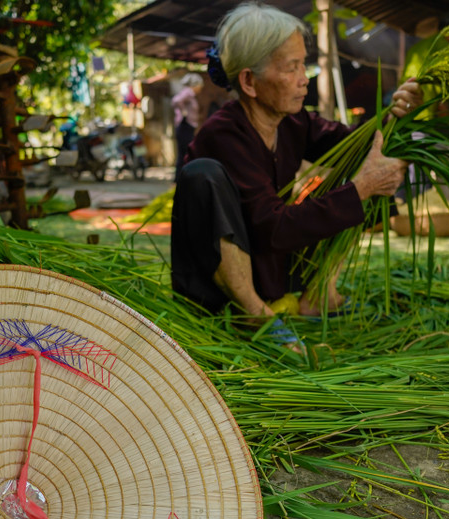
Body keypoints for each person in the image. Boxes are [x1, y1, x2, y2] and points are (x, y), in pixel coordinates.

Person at [170, 1, 421, 337]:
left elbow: (355, 144)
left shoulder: (292, 121)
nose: (305, 80)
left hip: (273, 266)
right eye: (292, 68)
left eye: (305, 65)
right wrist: (360, 188)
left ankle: (318, 296)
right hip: (224, 287)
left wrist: (392, 116)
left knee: (367, 172)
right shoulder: (223, 134)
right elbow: (272, 228)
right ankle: (257, 316)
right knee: (202, 175)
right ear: (249, 81)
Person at [171, 73, 204, 175]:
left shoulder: (190, 94)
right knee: (185, 154)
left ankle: (182, 177)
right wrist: (184, 112)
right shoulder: (188, 92)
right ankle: (180, 178)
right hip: (184, 126)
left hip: (187, 127)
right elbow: (176, 101)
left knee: (185, 153)